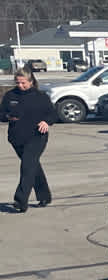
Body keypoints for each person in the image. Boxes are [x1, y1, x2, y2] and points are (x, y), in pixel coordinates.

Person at [1, 67, 54, 212]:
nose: (20, 86)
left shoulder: (41, 96)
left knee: (27, 166)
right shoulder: (10, 96)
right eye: (17, 83)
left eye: (23, 83)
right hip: (17, 138)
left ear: (31, 81)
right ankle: (44, 196)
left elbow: (52, 113)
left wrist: (46, 122)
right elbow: (2, 113)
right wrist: (8, 117)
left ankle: (20, 201)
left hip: (37, 137)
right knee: (33, 167)